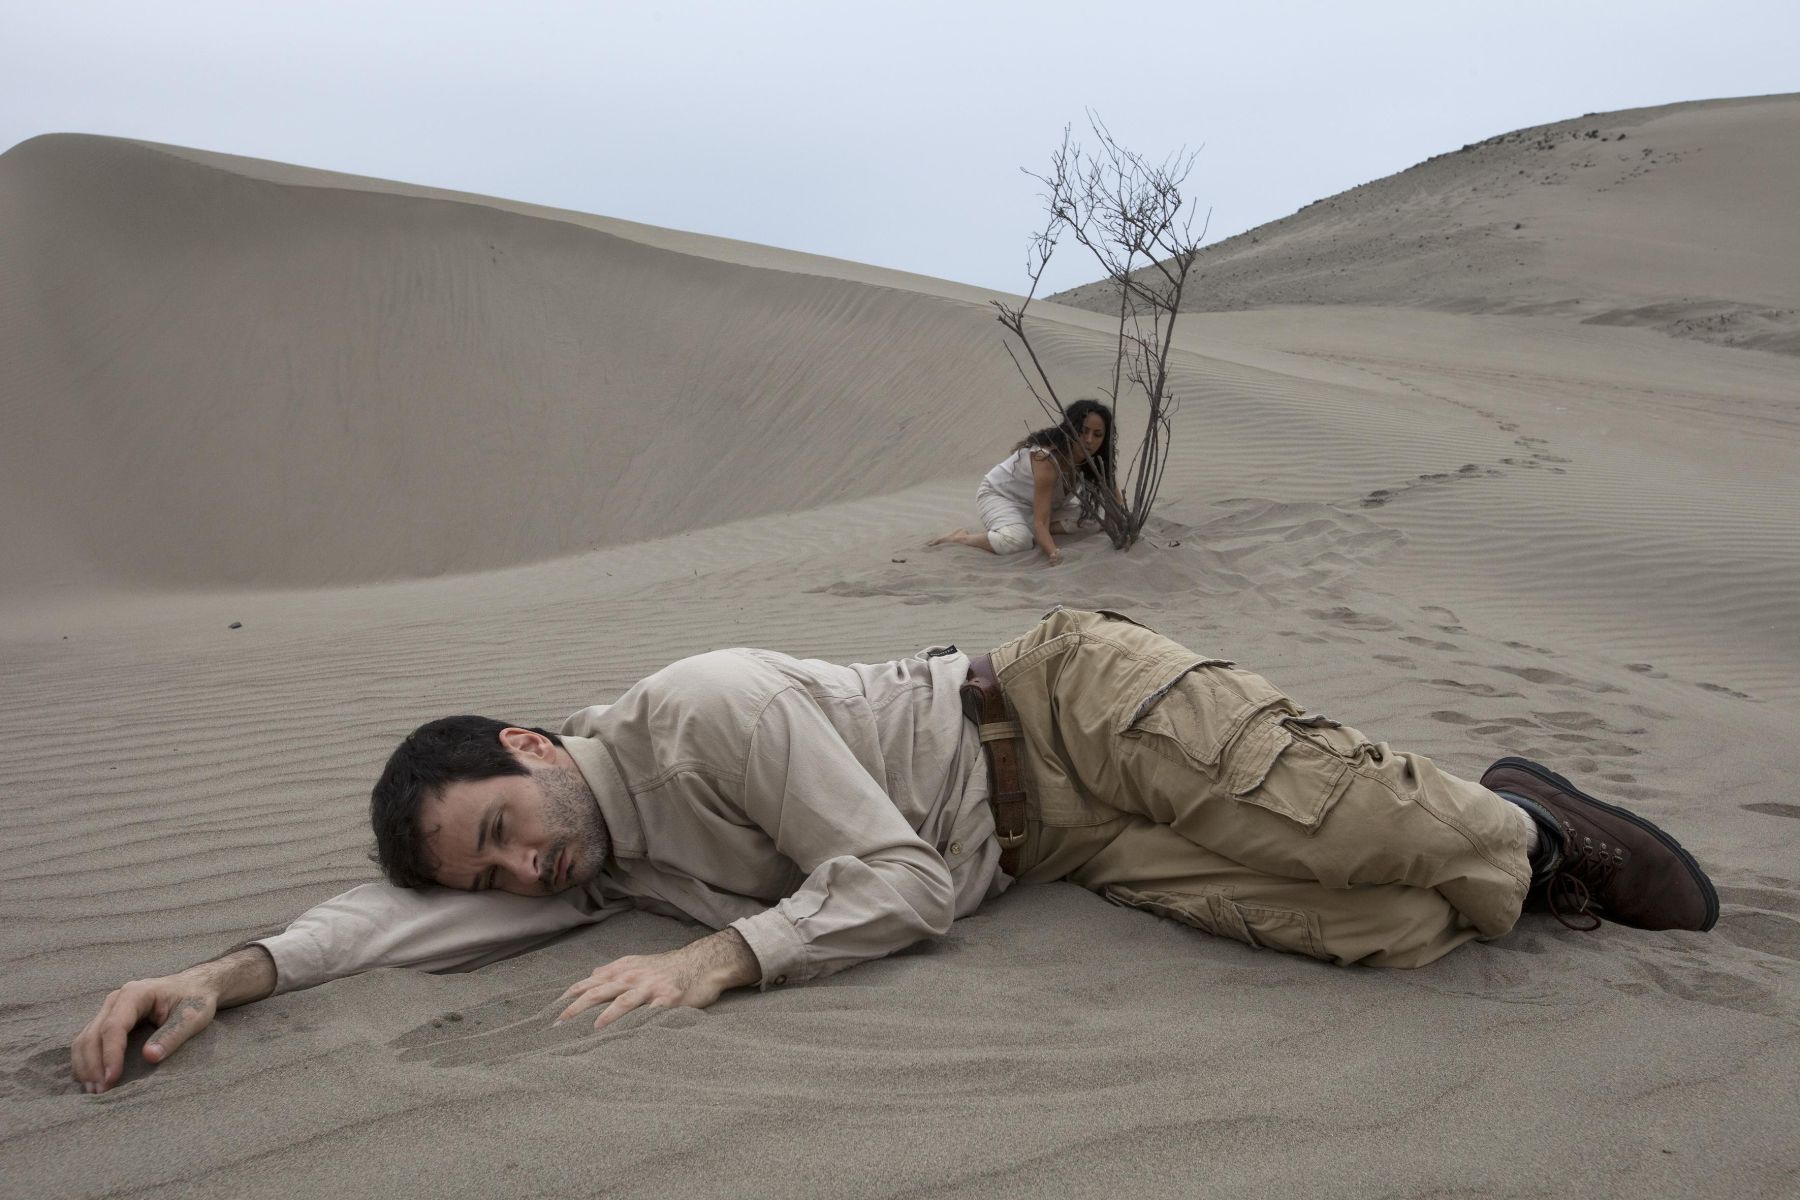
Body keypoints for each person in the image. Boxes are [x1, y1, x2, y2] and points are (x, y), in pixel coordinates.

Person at [70, 608, 1719, 1094]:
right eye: (489, 876)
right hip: (1060, 848)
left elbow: (903, 889)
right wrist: (217, 977)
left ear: (530, 746)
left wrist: (728, 956)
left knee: (1370, 831)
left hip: (1069, 707)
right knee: (1391, 930)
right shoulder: (602, 860)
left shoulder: (699, 714)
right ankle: (1504, 856)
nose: (518, 876)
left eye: (502, 833)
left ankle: (1527, 815)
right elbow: (379, 931)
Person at [929, 399, 1116, 565]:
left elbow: (1115, 504)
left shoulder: (1095, 460)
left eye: (1097, 434)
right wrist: (1053, 553)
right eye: (1082, 431)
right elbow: (1041, 523)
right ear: (1070, 429)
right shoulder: (1046, 460)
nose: (1089, 440)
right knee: (1019, 542)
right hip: (1000, 496)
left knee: (1093, 518)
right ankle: (962, 538)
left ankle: (1024, 528)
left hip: (1041, 508)